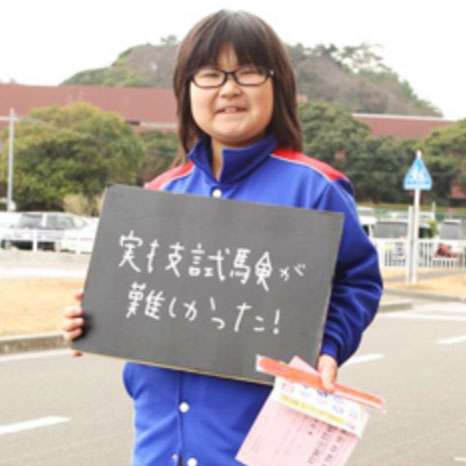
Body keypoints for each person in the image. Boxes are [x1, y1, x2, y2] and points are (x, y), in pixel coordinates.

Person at [63, 9, 383, 466]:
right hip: (158, 447)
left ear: (279, 86)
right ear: (187, 89)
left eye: (249, 72)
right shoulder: (159, 193)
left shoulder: (315, 187)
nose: (229, 88)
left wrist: (328, 346)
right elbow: (137, 293)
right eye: (211, 74)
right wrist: (92, 318)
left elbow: (359, 281)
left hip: (258, 448)